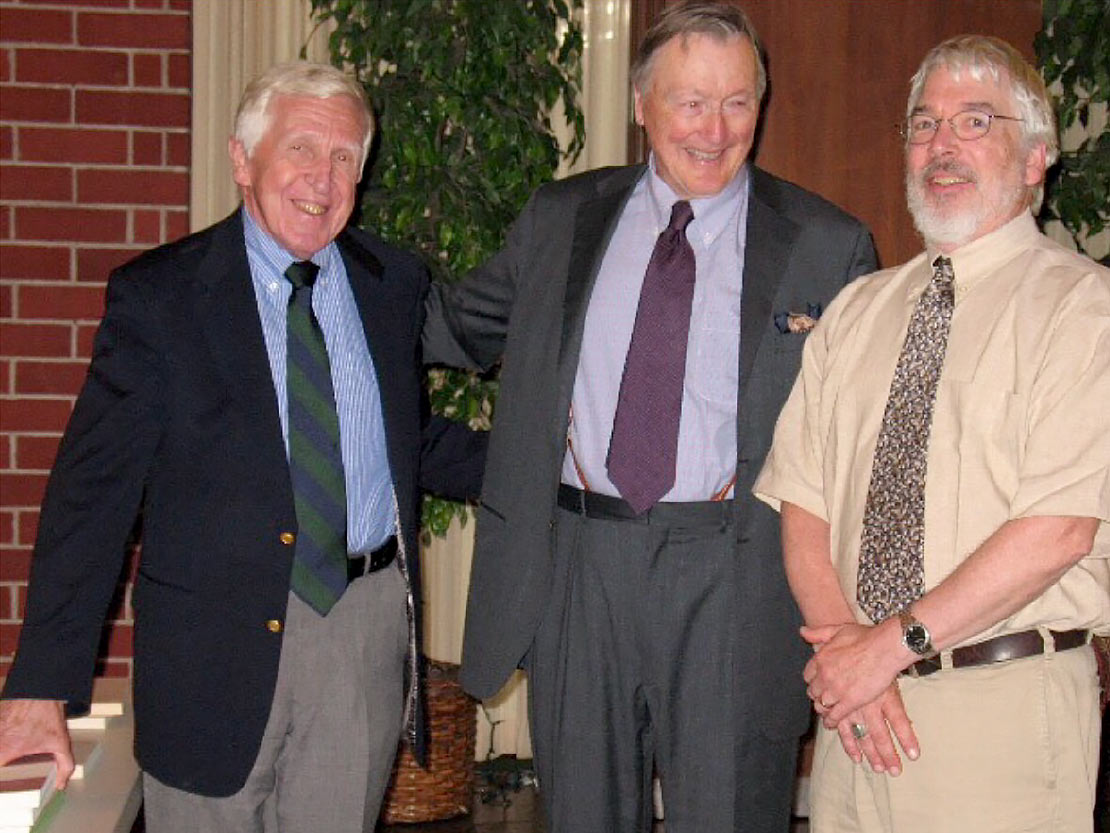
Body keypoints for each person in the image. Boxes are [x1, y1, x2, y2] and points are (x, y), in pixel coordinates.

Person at [423, 3, 877, 830]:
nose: (715, 128)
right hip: (577, 567)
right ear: (641, 106)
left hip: (734, 573)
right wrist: (320, 282)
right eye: (689, 101)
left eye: (737, 101)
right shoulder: (562, 218)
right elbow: (450, 325)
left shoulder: (826, 243)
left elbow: (866, 438)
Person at [0, 62, 483, 833]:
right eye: (300, 149)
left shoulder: (391, 283)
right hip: (209, 646)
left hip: (357, 637)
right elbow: (93, 494)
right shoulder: (161, 298)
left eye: (344, 159)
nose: (321, 179)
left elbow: (397, 439)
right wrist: (41, 684)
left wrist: (543, 465)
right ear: (241, 161)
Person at [755, 34, 1108, 833]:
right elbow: (802, 503)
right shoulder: (855, 311)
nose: (941, 145)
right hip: (857, 712)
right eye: (923, 124)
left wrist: (885, 647)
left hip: (1001, 716)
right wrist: (856, 658)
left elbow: (1057, 530)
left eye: (974, 122)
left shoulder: (1084, 310)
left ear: (1035, 159)